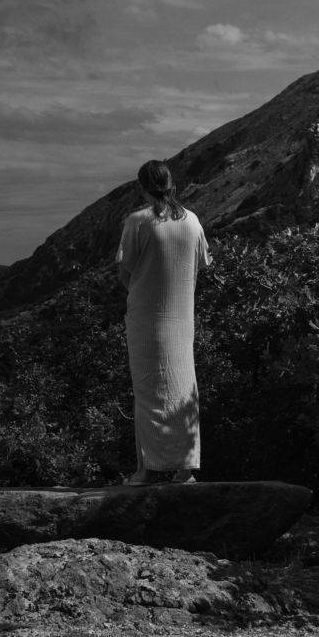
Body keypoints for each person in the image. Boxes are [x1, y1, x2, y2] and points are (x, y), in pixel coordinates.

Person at [116, 160, 212, 485]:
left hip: (147, 318)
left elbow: (125, 271)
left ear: (142, 187)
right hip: (183, 317)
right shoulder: (192, 221)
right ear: (171, 183)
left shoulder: (138, 221)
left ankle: (148, 469)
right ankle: (185, 469)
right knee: (184, 387)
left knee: (149, 392)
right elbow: (202, 262)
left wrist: (144, 289)